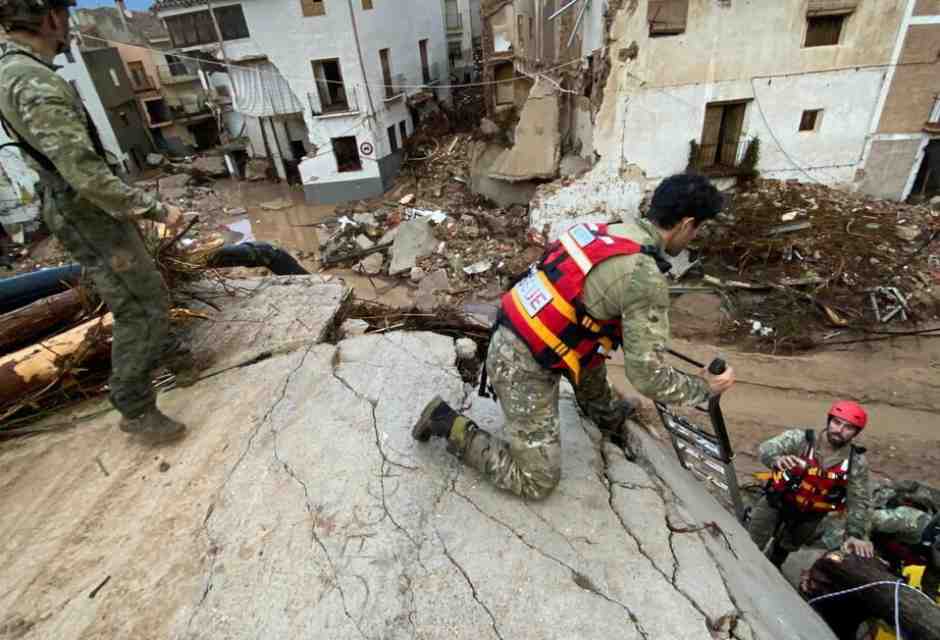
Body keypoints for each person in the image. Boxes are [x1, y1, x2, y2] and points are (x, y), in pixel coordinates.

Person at [412, 173, 735, 500]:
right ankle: (445, 422)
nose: (694, 237)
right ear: (686, 224)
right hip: (521, 362)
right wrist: (701, 388)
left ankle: (602, 411)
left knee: (594, 335)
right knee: (536, 480)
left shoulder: (609, 231)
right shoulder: (644, 274)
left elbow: (587, 321)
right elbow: (646, 376)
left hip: (525, 330)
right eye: (697, 230)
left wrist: (606, 406)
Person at [0, 0, 187, 442]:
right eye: (63, 14)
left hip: (86, 208)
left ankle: (171, 356)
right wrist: (157, 208)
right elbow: (84, 173)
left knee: (145, 291)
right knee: (138, 307)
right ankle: (135, 406)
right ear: (48, 18)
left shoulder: (18, 71)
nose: (68, 23)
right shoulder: (31, 81)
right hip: (87, 210)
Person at [748, 400, 873, 567]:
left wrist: (856, 534)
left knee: (782, 551)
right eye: (836, 423)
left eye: (848, 427)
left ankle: (771, 571)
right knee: (751, 543)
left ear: (855, 433)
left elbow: (859, 500)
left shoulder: (856, 462)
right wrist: (777, 459)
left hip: (810, 516)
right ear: (829, 421)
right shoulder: (801, 439)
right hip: (776, 501)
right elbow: (766, 449)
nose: (839, 430)